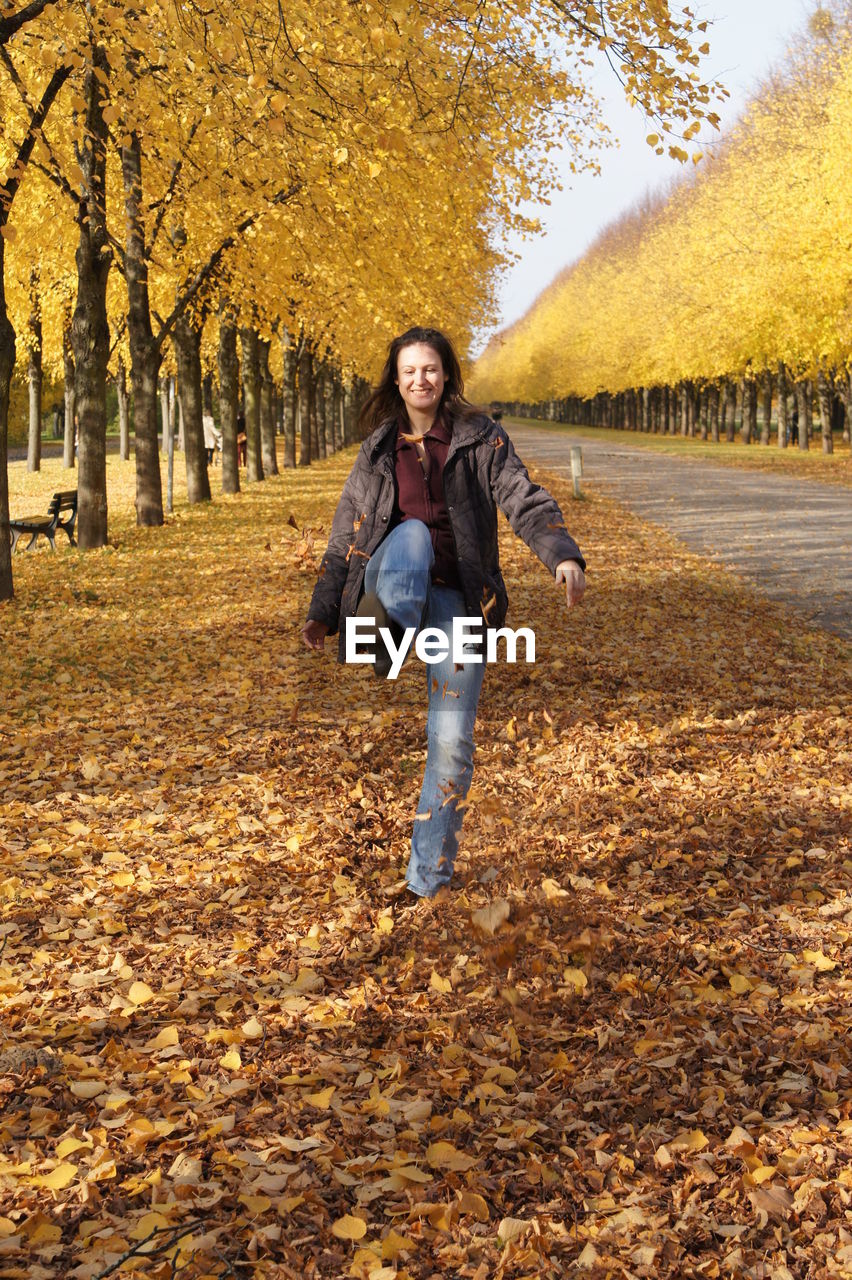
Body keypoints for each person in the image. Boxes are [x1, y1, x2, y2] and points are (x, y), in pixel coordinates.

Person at [301, 326, 585, 901]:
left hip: (456, 602)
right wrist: (323, 610)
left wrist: (562, 554)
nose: (419, 379)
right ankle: (383, 639)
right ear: (397, 380)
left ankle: (426, 880)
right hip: (395, 583)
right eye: (408, 371)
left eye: (429, 369)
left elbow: (521, 496)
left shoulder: (482, 438)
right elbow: (345, 535)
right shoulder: (379, 449)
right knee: (411, 537)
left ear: (447, 375)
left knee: (452, 741)